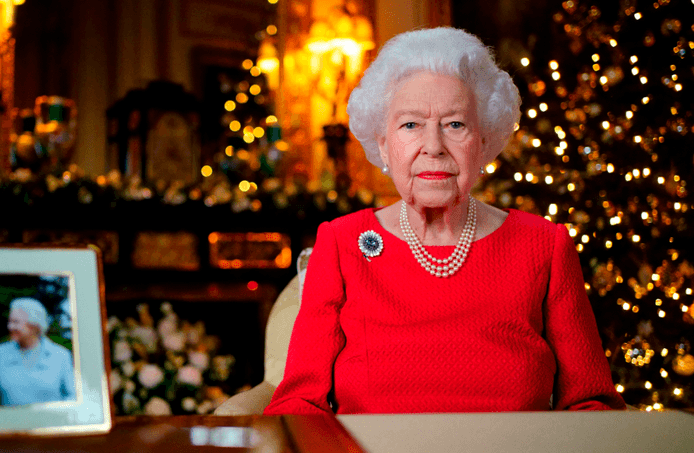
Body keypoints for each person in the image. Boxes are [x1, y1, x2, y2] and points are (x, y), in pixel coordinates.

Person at [264, 27, 626, 415]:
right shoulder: (342, 242)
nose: (433, 147)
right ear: (384, 143)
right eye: (410, 125)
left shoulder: (543, 244)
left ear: (484, 141)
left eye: (455, 124)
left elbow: (591, 403)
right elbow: (299, 404)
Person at [0, 297, 76, 405]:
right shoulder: (0, 353)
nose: (10, 327)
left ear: (34, 326)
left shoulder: (61, 355)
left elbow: (72, 396)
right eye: (10, 321)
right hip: (11, 421)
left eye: (16, 322)